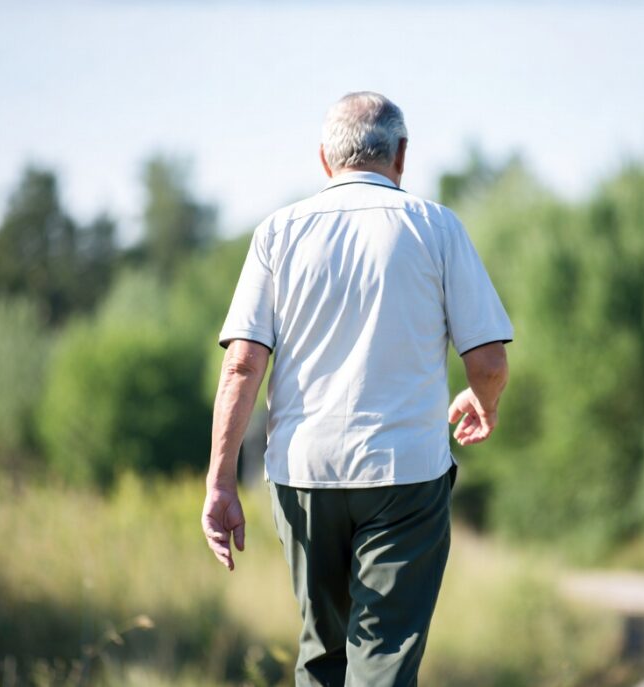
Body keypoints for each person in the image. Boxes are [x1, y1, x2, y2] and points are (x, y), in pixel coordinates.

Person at [201, 91, 513, 687]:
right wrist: (484, 402)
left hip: (304, 475)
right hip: (405, 476)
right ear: (401, 155)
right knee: (384, 657)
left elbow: (242, 364)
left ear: (325, 160)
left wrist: (219, 482)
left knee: (323, 652)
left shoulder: (277, 233)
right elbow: (490, 363)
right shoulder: (437, 228)